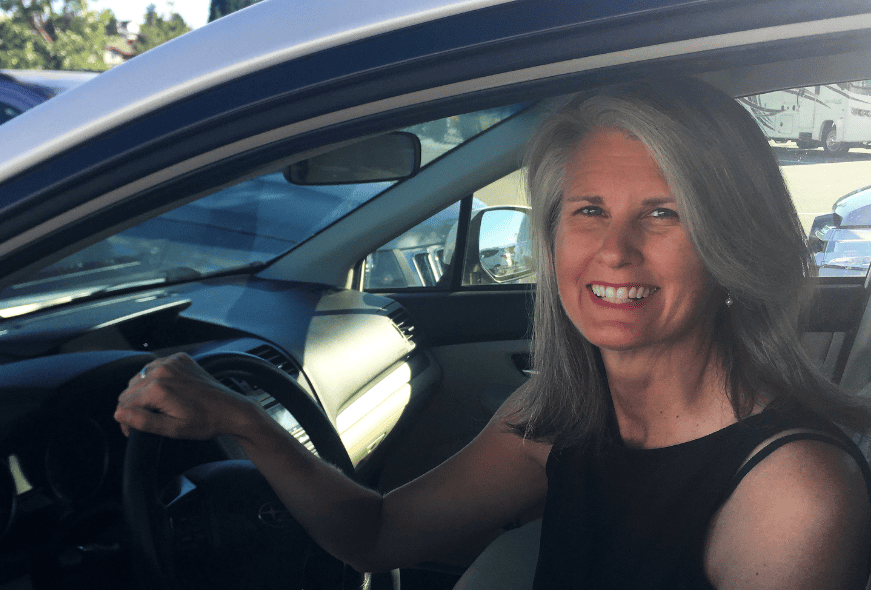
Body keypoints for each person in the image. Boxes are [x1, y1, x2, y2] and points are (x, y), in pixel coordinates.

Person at [115, 77, 871, 589]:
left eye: (663, 213)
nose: (615, 251)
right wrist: (246, 424)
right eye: (588, 210)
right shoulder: (558, 417)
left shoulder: (791, 492)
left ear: (730, 241)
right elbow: (379, 535)